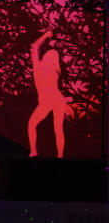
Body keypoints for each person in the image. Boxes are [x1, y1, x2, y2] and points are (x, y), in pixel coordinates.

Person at [28, 29, 73, 158]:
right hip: (54, 99)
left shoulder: (39, 66)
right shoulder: (55, 70)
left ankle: (34, 151)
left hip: (50, 100)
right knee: (57, 129)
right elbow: (35, 47)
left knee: (33, 124)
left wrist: (45, 36)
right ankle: (58, 155)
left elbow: (35, 47)